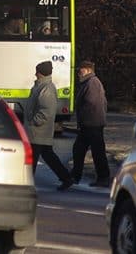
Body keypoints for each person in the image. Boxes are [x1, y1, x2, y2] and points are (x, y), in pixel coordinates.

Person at [24, 60, 75, 191]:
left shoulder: (45, 88)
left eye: (37, 71)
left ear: (41, 73)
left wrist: (33, 121)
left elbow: (46, 110)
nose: (35, 74)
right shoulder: (42, 86)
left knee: (33, 157)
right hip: (38, 130)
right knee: (48, 155)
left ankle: (27, 183)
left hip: (38, 130)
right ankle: (66, 178)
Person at [70, 60, 111, 187]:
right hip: (91, 123)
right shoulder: (89, 82)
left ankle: (102, 177)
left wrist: (83, 116)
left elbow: (92, 103)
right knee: (80, 150)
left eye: (80, 70)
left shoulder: (92, 83)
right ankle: (75, 176)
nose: (78, 73)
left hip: (91, 124)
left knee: (95, 152)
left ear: (88, 70)